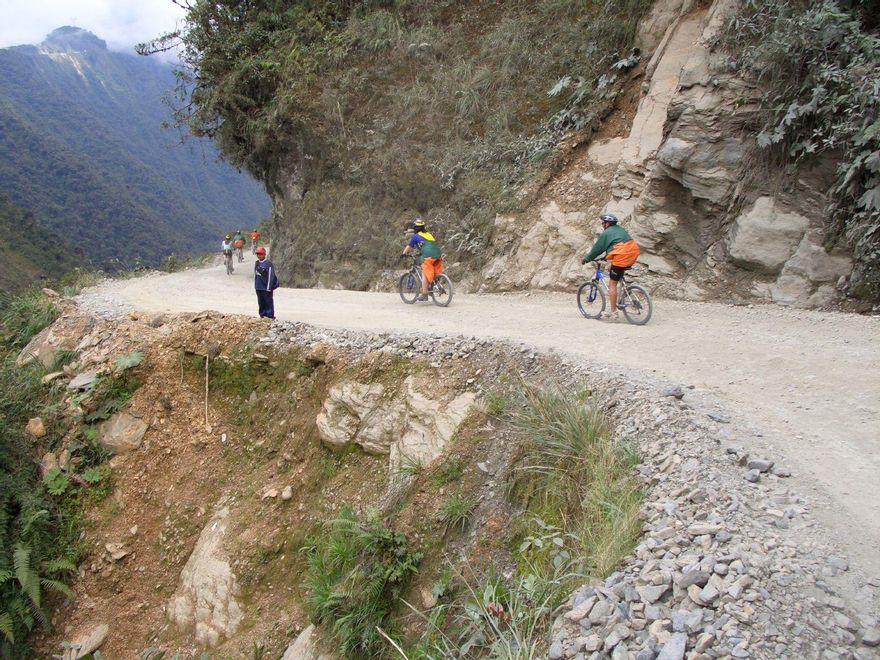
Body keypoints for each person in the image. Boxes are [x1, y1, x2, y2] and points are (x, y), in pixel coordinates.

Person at [581, 213, 640, 321]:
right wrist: (606, 257)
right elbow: (616, 245)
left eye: (603, 223)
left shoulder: (606, 233)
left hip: (622, 256)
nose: (602, 224)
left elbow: (597, 248)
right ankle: (623, 294)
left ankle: (613, 312)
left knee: (612, 283)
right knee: (615, 270)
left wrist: (586, 259)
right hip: (633, 253)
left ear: (607, 223)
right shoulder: (620, 230)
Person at [401, 215, 443, 301]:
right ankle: (435, 284)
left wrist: (403, 253)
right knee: (432, 268)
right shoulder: (428, 234)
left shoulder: (415, 237)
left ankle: (424, 294)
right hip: (438, 253)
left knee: (424, 272)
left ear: (415, 228)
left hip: (427, 254)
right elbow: (430, 245)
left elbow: (409, 247)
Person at [254, 246, 279, 319]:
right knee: (261, 302)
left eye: (261, 254)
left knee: (268, 302)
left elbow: (271, 276)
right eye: (258, 254)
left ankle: (270, 316)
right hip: (258, 287)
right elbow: (256, 275)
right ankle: (262, 315)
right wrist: (256, 285)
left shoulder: (268, 264)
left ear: (264, 254)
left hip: (266, 287)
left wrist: (269, 287)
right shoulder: (257, 263)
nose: (259, 255)